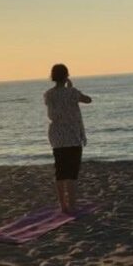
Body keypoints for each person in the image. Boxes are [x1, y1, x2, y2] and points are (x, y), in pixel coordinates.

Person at [44, 64, 92, 214]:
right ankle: (72, 204)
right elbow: (88, 100)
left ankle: (63, 205)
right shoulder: (72, 92)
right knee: (72, 171)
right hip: (72, 135)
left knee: (60, 170)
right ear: (66, 76)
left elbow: (53, 109)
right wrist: (71, 87)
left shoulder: (48, 94)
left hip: (56, 135)